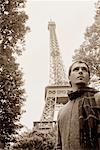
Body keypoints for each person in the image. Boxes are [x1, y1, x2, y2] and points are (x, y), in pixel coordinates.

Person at [56, 60, 100, 150]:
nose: (80, 71)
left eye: (84, 69)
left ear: (89, 78)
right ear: (69, 77)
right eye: (76, 69)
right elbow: (59, 145)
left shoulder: (98, 98)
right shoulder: (61, 112)